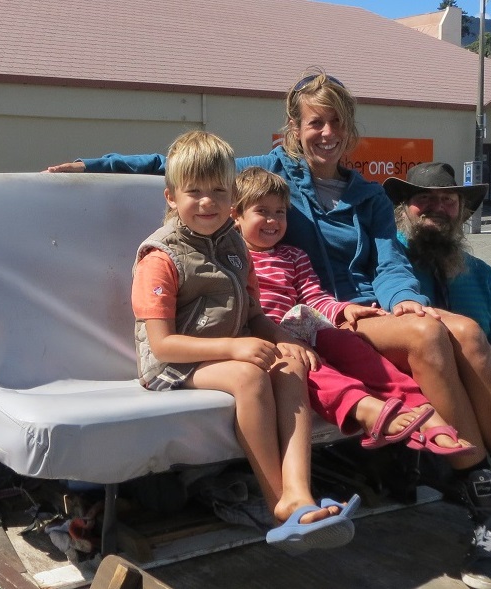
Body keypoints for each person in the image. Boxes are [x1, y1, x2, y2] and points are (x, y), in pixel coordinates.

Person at [46, 70, 491, 589]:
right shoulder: (270, 171)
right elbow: (179, 169)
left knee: (467, 333)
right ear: (295, 128)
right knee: (434, 336)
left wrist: (405, 301)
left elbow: (390, 263)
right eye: (316, 122)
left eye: (337, 123)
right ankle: (488, 507)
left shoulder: (367, 196)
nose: (327, 133)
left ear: (350, 129)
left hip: (361, 311)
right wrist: (94, 165)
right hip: (309, 317)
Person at [132, 130, 359, 555]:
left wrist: (284, 338)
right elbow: (162, 346)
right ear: (171, 197)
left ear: (232, 196)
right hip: (173, 365)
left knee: (290, 366)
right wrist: (235, 348)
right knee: (250, 377)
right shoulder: (161, 257)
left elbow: (253, 313)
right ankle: (279, 504)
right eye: (194, 191)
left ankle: (299, 492)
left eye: (219, 191)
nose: (207, 202)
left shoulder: (234, 246)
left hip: (227, 352)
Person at [232, 166, 472, 456]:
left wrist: (344, 310)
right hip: (262, 337)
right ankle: (364, 407)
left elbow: (313, 297)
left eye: (280, 212)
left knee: (349, 343)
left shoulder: (294, 256)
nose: (273, 220)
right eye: (262, 211)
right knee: (309, 367)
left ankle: (419, 406)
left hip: (298, 327)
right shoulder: (233, 258)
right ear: (236, 216)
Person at [386, 161, 491, 588]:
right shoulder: (386, 263)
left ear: (461, 211)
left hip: (478, 408)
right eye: (424, 199)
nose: (438, 208)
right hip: (414, 402)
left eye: (448, 200)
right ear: (404, 208)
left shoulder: (479, 272)